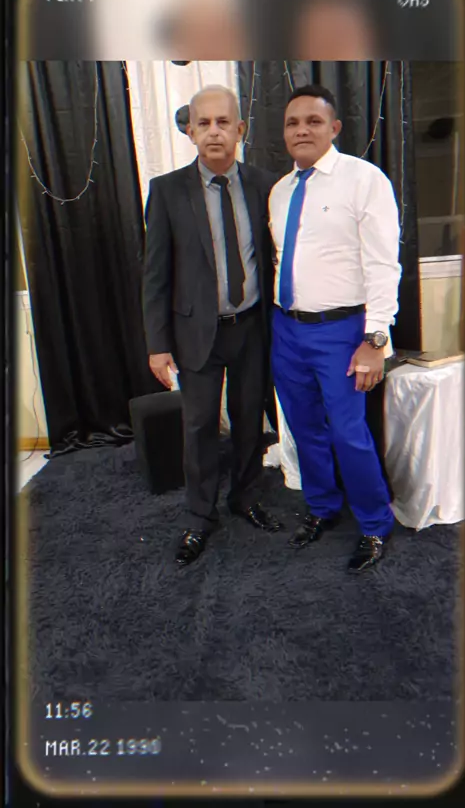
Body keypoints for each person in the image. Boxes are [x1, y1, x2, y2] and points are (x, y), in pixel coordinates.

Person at [143, 85, 281, 567]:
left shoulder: (267, 185)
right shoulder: (167, 191)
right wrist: (157, 343)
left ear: (240, 129)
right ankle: (199, 515)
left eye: (224, 122)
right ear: (190, 131)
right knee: (199, 425)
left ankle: (245, 496)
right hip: (195, 332)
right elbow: (155, 274)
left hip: (252, 327)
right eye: (204, 123)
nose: (214, 132)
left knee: (249, 419)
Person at [268, 84, 402, 573]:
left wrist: (375, 339)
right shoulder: (280, 191)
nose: (301, 130)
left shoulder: (363, 179)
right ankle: (323, 507)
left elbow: (383, 264)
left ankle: (374, 523)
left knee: (348, 432)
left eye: (313, 121)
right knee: (303, 428)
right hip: (287, 329)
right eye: (292, 123)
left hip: (342, 331)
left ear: (335, 128)